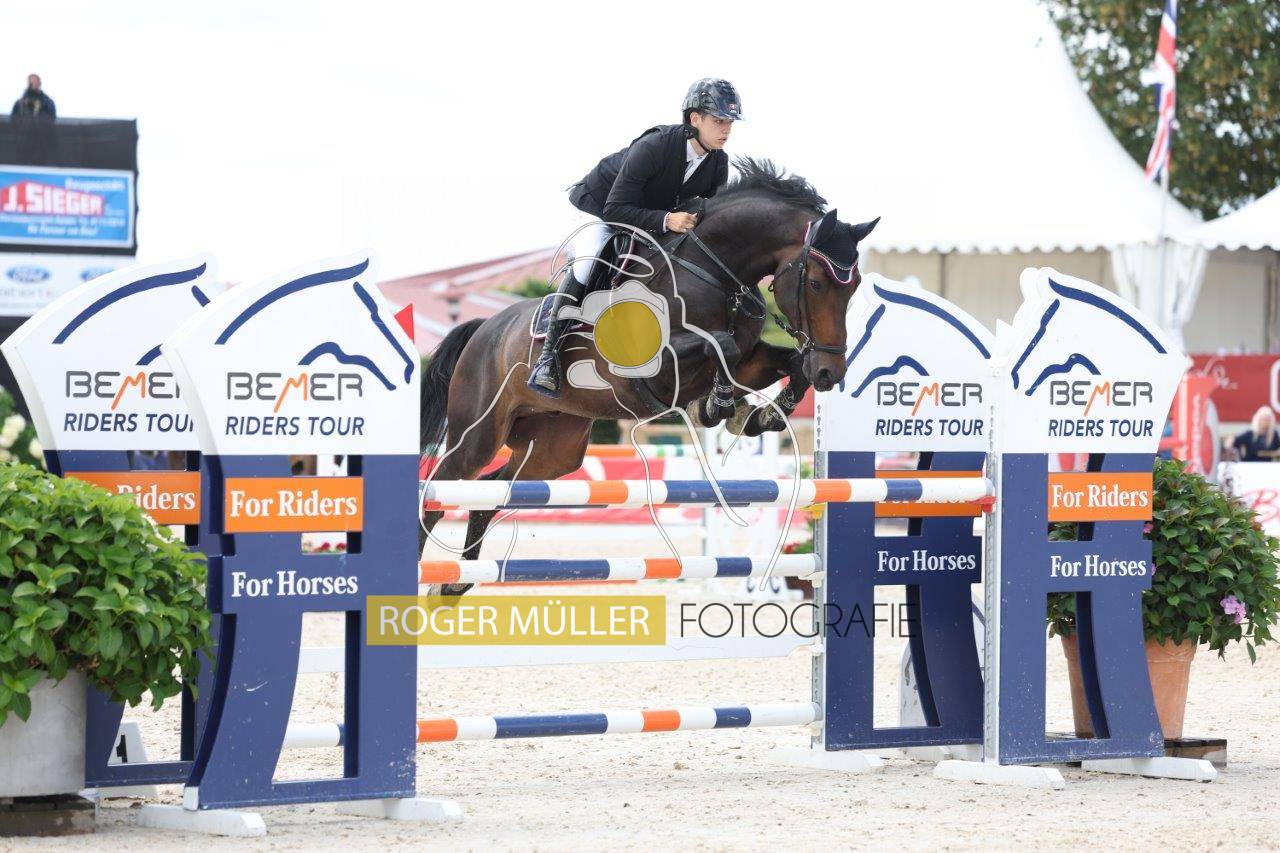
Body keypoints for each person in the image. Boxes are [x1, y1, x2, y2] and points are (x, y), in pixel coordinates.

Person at [528, 77, 741, 396]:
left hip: (646, 217)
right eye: (719, 121)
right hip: (597, 208)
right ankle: (548, 359)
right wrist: (667, 219)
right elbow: (615, 208)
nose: (726, 130)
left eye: (730, 123)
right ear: (695, 119)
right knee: (589, 261)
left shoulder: (717, 162)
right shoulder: (655, 145)